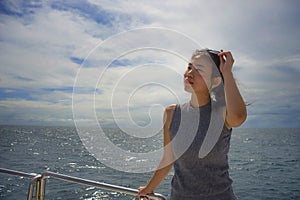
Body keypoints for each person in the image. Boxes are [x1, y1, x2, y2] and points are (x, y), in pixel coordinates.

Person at [137, 49, 247, 200]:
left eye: (199, 70)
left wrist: (227, 73)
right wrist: (149, 188)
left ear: (215, 81)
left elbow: (239, 117)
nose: (189, 73)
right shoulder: (171, 114)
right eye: (189, 67)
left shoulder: (222, 113)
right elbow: (167, 158)